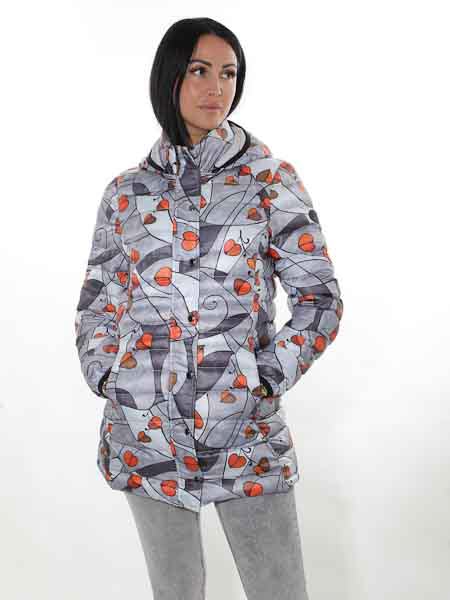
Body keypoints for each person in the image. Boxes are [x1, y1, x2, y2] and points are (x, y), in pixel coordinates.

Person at [74, 16, 344, 600]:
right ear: (169, 77)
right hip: (146, 432)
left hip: (246, 434)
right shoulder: (126, 193)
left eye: (228, 73)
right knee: (176, 592)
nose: (216, 88)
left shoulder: (270, 182)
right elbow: (98, 301)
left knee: (279, 590)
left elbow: (319, 300)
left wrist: (263, 377)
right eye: (199, 71)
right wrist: (109, 375)